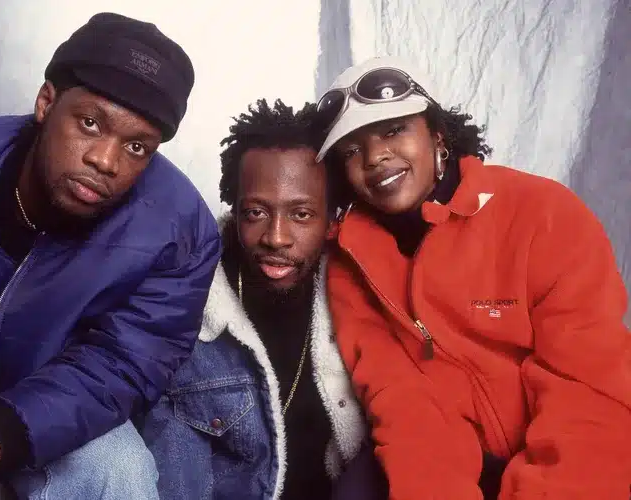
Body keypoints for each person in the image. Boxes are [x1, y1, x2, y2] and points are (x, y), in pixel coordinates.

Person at [0, 13, 220, 500]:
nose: (105, 160)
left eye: (136, 146)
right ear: (46, 102)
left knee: (121, 473)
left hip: (57, 392)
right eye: (90, 123)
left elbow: (125, 365)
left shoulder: (180, 230)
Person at [315, 56, 631, 499]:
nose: (375, 157)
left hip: (571, 445)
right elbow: (402, 400)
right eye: (351, 150)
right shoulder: (350, 259)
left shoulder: (543, 213)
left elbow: (587, 388)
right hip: (451, 452)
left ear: (437, 134)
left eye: (393, 130)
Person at [141, 99, 370, 500]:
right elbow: (175, 467)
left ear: (333, 219)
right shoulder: (182, 302)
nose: (276, 238)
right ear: (234, 207)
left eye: (301, 214)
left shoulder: (364, 293)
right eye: (256, 213)